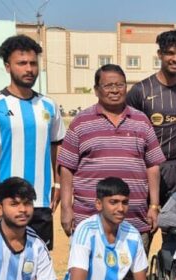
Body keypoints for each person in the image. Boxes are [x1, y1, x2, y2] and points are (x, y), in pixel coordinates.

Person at [58, 64, 164, 253]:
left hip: (134, 222)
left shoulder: (141, 121)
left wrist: (154, 205)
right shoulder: (80, 122)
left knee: (133, 278)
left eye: (120, 85)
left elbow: (153, 166)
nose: (115, 90)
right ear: (97, 90)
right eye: (108, 86)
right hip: (89, 221)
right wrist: (66, 207)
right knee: (89, 278)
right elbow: (66, 167)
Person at [0, 35, 66, 249]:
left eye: (33, 63)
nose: (29, 69)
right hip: (6, 201)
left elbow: (58, 145)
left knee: (39, 263)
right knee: (2, 263)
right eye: (22, 63)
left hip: (40, 201)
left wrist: (57, 183)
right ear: (8, 66)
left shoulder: (49, 105)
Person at [127, 29, 176, 207]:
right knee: (144, 228)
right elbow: (124, 126)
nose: (175, 59)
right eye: (170, 53)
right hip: (145, 168)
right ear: (160, 54)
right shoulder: (141, 90)